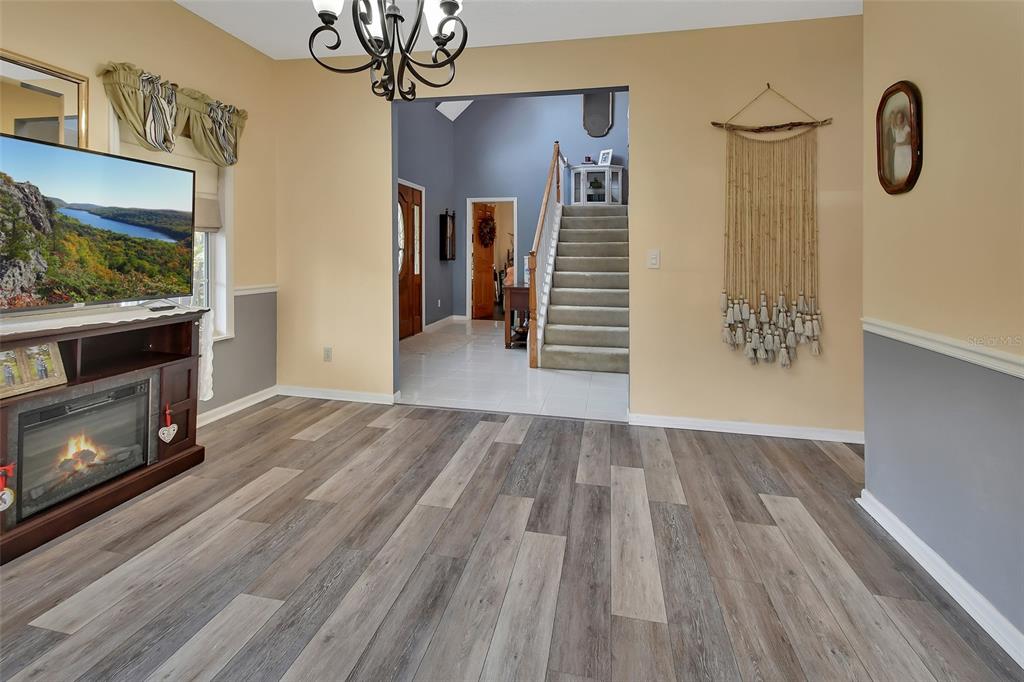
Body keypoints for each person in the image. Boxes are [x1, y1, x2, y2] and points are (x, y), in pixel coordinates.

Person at [890, 109, 912, 183]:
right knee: (899, 170)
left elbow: (908, 141)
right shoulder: (896, 129)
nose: (899, 119)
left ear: (903, 118)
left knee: (906, 170)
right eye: (898, 117)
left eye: (901, 117)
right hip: (898, 153)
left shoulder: (907, 128)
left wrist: (898, 144)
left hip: (905, 151)